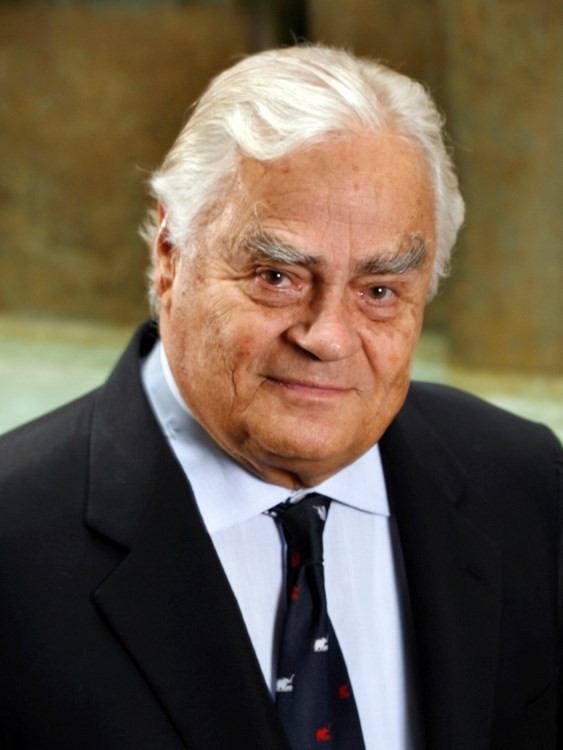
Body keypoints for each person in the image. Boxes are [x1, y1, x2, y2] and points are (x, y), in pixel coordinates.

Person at [0, 45, 560, 750]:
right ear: (170, 255)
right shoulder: (14, 541)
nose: (327, 337)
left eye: (379, 290)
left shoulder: (527, 485)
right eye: (277, 277)